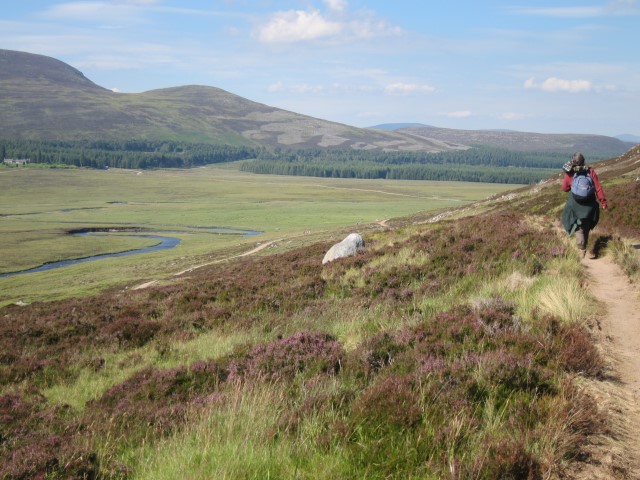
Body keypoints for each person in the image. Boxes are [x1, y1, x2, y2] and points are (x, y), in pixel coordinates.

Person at [561, 152, 608, 258]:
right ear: (583, 161)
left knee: (579, 227)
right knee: (585, 226)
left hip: (575, 205)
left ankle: (581, 249)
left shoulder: (570, 172)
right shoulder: (590, 171)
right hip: (589, 206)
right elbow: (598, 188)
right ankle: (583, 246)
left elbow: (564, 188)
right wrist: (603, 202)